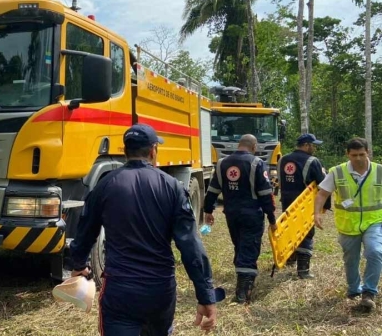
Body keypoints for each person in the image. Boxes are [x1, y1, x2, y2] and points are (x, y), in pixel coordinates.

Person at [69, 124, 217, 335]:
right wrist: (206, 296)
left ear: (124, 150)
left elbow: (85, 232)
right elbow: (191, 246)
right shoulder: (172, 187)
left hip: (120, 290)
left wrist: (78, 264)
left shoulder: (105, 185)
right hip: (160, 290)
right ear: (153, 150)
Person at [203, 134, 277, 304]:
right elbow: (266, 194)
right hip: (252, 214)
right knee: (249, 248)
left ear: (239, 145)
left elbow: (213, 190)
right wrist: (272, 219)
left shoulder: (222, 163)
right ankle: (243, 293)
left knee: (240, 245)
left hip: (232, 214)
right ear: (254, 146)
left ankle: (243, 281)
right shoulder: (257, 163)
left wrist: (208, 210)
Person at [315, 137, 382, 310]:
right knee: (351, 259)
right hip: (348, 224)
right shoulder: (337, 172)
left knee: (375, 252)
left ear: (368, 152)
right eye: (354, 155)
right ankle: (354, 289)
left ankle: (369, 292)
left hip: (374, 221)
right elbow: (322, 193)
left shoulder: (379, 171)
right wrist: (316, 213)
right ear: (348, 154)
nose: (358, 158)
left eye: (361, 154)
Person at [278, 133, 331, 279]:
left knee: (289, 230)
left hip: (287, 202)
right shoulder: (313, 161)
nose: (314, 148)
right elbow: (324, 185)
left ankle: (290, 258)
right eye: (313, 145)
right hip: (304, 204)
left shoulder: (283, 159)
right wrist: (325, 206)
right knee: (306, 233)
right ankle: (303, 271)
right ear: (307, 145)